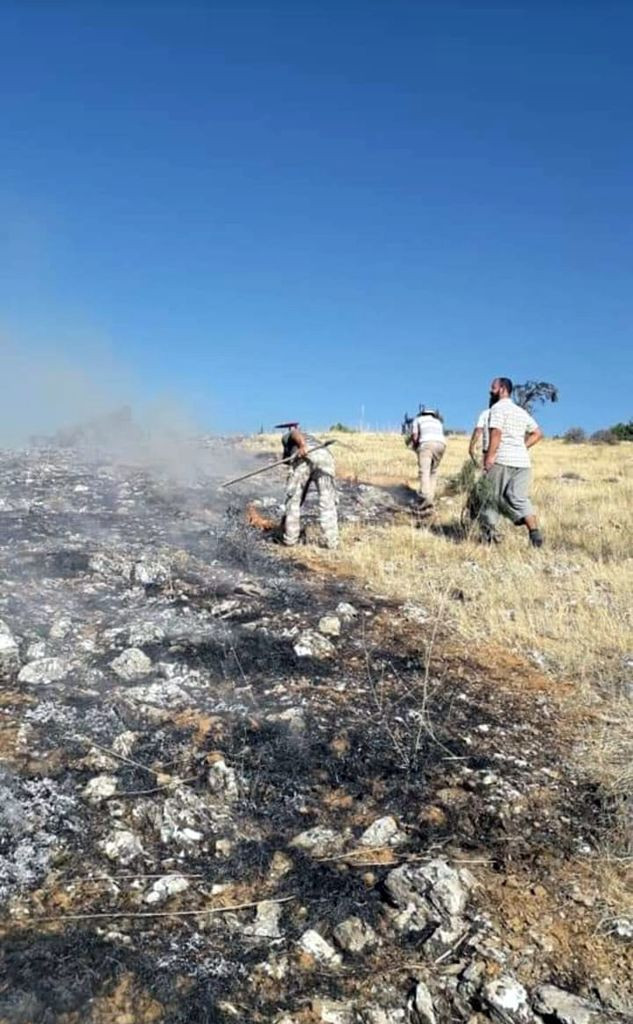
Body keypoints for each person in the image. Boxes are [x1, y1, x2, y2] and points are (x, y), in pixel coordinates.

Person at [480, 377, 544, 547]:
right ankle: (535, 534)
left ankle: (489, 536)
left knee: (490, 498)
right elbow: (537, 433)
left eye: (493, 387)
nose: (490, 390)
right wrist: (522, 447)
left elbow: (496, 434)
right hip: (523, 463)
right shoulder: (520, 411)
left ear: (502, 389)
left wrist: (490, 457)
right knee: (519, 498)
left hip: (502, 460)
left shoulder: (497, 409)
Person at [276, 423, 339, 549]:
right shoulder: (313, 438)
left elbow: (294, 433)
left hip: (307, 454)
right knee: (327, 501)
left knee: (292, 500)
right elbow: (302, 492)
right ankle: (332, 543)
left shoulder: (289, 435)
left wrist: (303, 446)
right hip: (326, 457)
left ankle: (290, 540)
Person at [410, 406, 446, 509]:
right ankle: (431, 497)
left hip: (426, 444)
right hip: (441, 445)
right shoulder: (438, 422)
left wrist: (415, 446)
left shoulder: (418, 420)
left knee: (424, 471)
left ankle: (425, 497)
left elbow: (415, 436)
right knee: (433, 471)